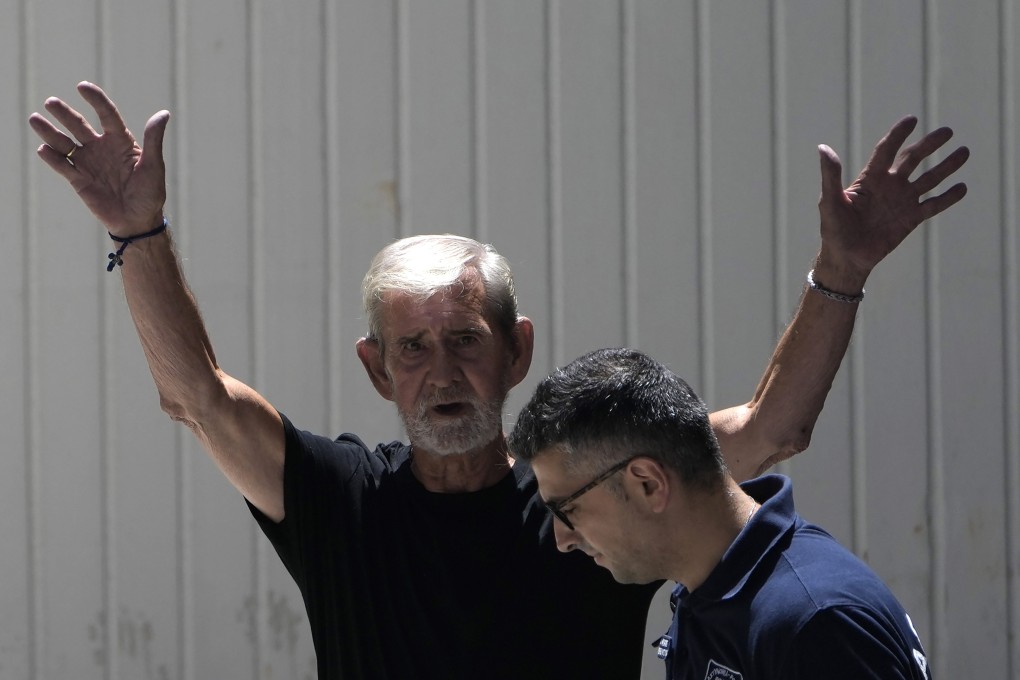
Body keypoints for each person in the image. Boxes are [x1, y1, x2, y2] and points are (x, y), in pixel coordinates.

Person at [28, 82, 966, 679]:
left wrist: (841, 272)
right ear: (375, 367)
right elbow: (195, 394)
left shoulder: (597, 493)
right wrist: (136, 235)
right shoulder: (338, 501)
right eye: (412, 348)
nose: (443, 372)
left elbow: (774, 425)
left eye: (466, 340)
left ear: (516, 352)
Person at [508, 347, 933, 679]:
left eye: (567, 509)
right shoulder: (711, 592)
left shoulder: (814, 620)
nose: (562, 540)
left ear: (647, 484)